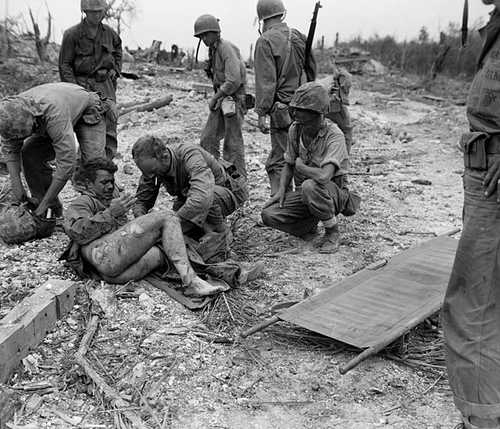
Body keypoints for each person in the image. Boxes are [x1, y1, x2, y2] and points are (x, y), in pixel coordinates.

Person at [443, 1, 500, 428]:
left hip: (493, 181)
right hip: (483, 170)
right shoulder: (495, 25)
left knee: (471, 308)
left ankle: (482, 418)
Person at [63, 158, 233, 296]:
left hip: (115, 274)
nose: (109, 187)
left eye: (111, 182)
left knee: (166, 250)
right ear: (88, 185)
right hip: (105, 258)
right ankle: (192, 282)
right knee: (168, 217)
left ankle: (216, 270)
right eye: (104, 182)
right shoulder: (83, 202)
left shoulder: (108, 201)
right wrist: (110, 213)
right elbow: (76, 232)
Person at [261, 82, 360, 253]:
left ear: (318, 114)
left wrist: (302, 167)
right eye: (296, 109)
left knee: (310, 186)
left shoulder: (334, 135)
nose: (296, 114)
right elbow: (289, 164)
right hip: (305, 193)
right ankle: (309, 225)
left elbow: (323, 177)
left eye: (302, 110)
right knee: (269, 214)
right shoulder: (296, 129)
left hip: (332, 192)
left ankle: (332, 232)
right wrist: (282, 190)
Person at [0, 82, 107, 220]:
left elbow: (67, 164)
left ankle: (103, 214)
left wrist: (44, 204)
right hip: (48, 119)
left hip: (88, 109)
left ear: (33, 119)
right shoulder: (9, 115)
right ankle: (50, 213)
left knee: (94, 166)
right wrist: (20, 193)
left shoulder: (53, 113)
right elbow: (11, 151)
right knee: (30, 155)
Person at [132, 136, 248, 260]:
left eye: (153, 171)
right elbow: (142, 200)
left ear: (164, 157)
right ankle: (203, 230)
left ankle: (221, 232)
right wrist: (142, 223)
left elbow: (202, 196)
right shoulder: (152, 167)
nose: (149, 176)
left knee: (201, 199)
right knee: (181, 222)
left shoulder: (190, 154)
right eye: (146, 173)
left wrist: (173, 222)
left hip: (227, 192)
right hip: (191, 196)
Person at [254, 0, 316, 194]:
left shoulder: (265, 41)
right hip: (305, 108)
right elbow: (311, 70)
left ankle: (283, 206)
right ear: (281, 13)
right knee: (302, 157)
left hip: (282, 111)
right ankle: (304, 203)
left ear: (262, 18)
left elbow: (266, 82)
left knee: (280, 160)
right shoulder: (299, 36)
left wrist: (262, 113)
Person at [59, 0, 122, 160]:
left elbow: (118, 51)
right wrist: (74, 91)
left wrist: (116, 69)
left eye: (99, 11)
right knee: (89, 129)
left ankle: (105, 174)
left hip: (105, 86)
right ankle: (87, 173)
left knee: (110, 129)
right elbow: (64, 65)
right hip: (83, 86)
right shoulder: (72, 34)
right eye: (92, 12)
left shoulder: (110, 33)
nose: (96, 15)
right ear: (84, 11)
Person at [194, 14, 248, 178]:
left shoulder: (226, 49)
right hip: (223, 98)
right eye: (201, 36)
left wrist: (215, 97)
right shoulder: (213, 51)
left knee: (232, 144)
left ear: (215, 32)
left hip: (233, 99)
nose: (203, 38)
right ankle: (217, 175)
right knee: (207, 139)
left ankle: (238, 182)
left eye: (206, 34)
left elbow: (233, 80)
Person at [321, 59, 354, 153]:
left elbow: (344, 98)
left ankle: (344, 156)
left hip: (333, 105)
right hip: (327, 106)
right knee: (347, 129)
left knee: (347, 128)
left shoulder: (342, 79)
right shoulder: (329, 84)